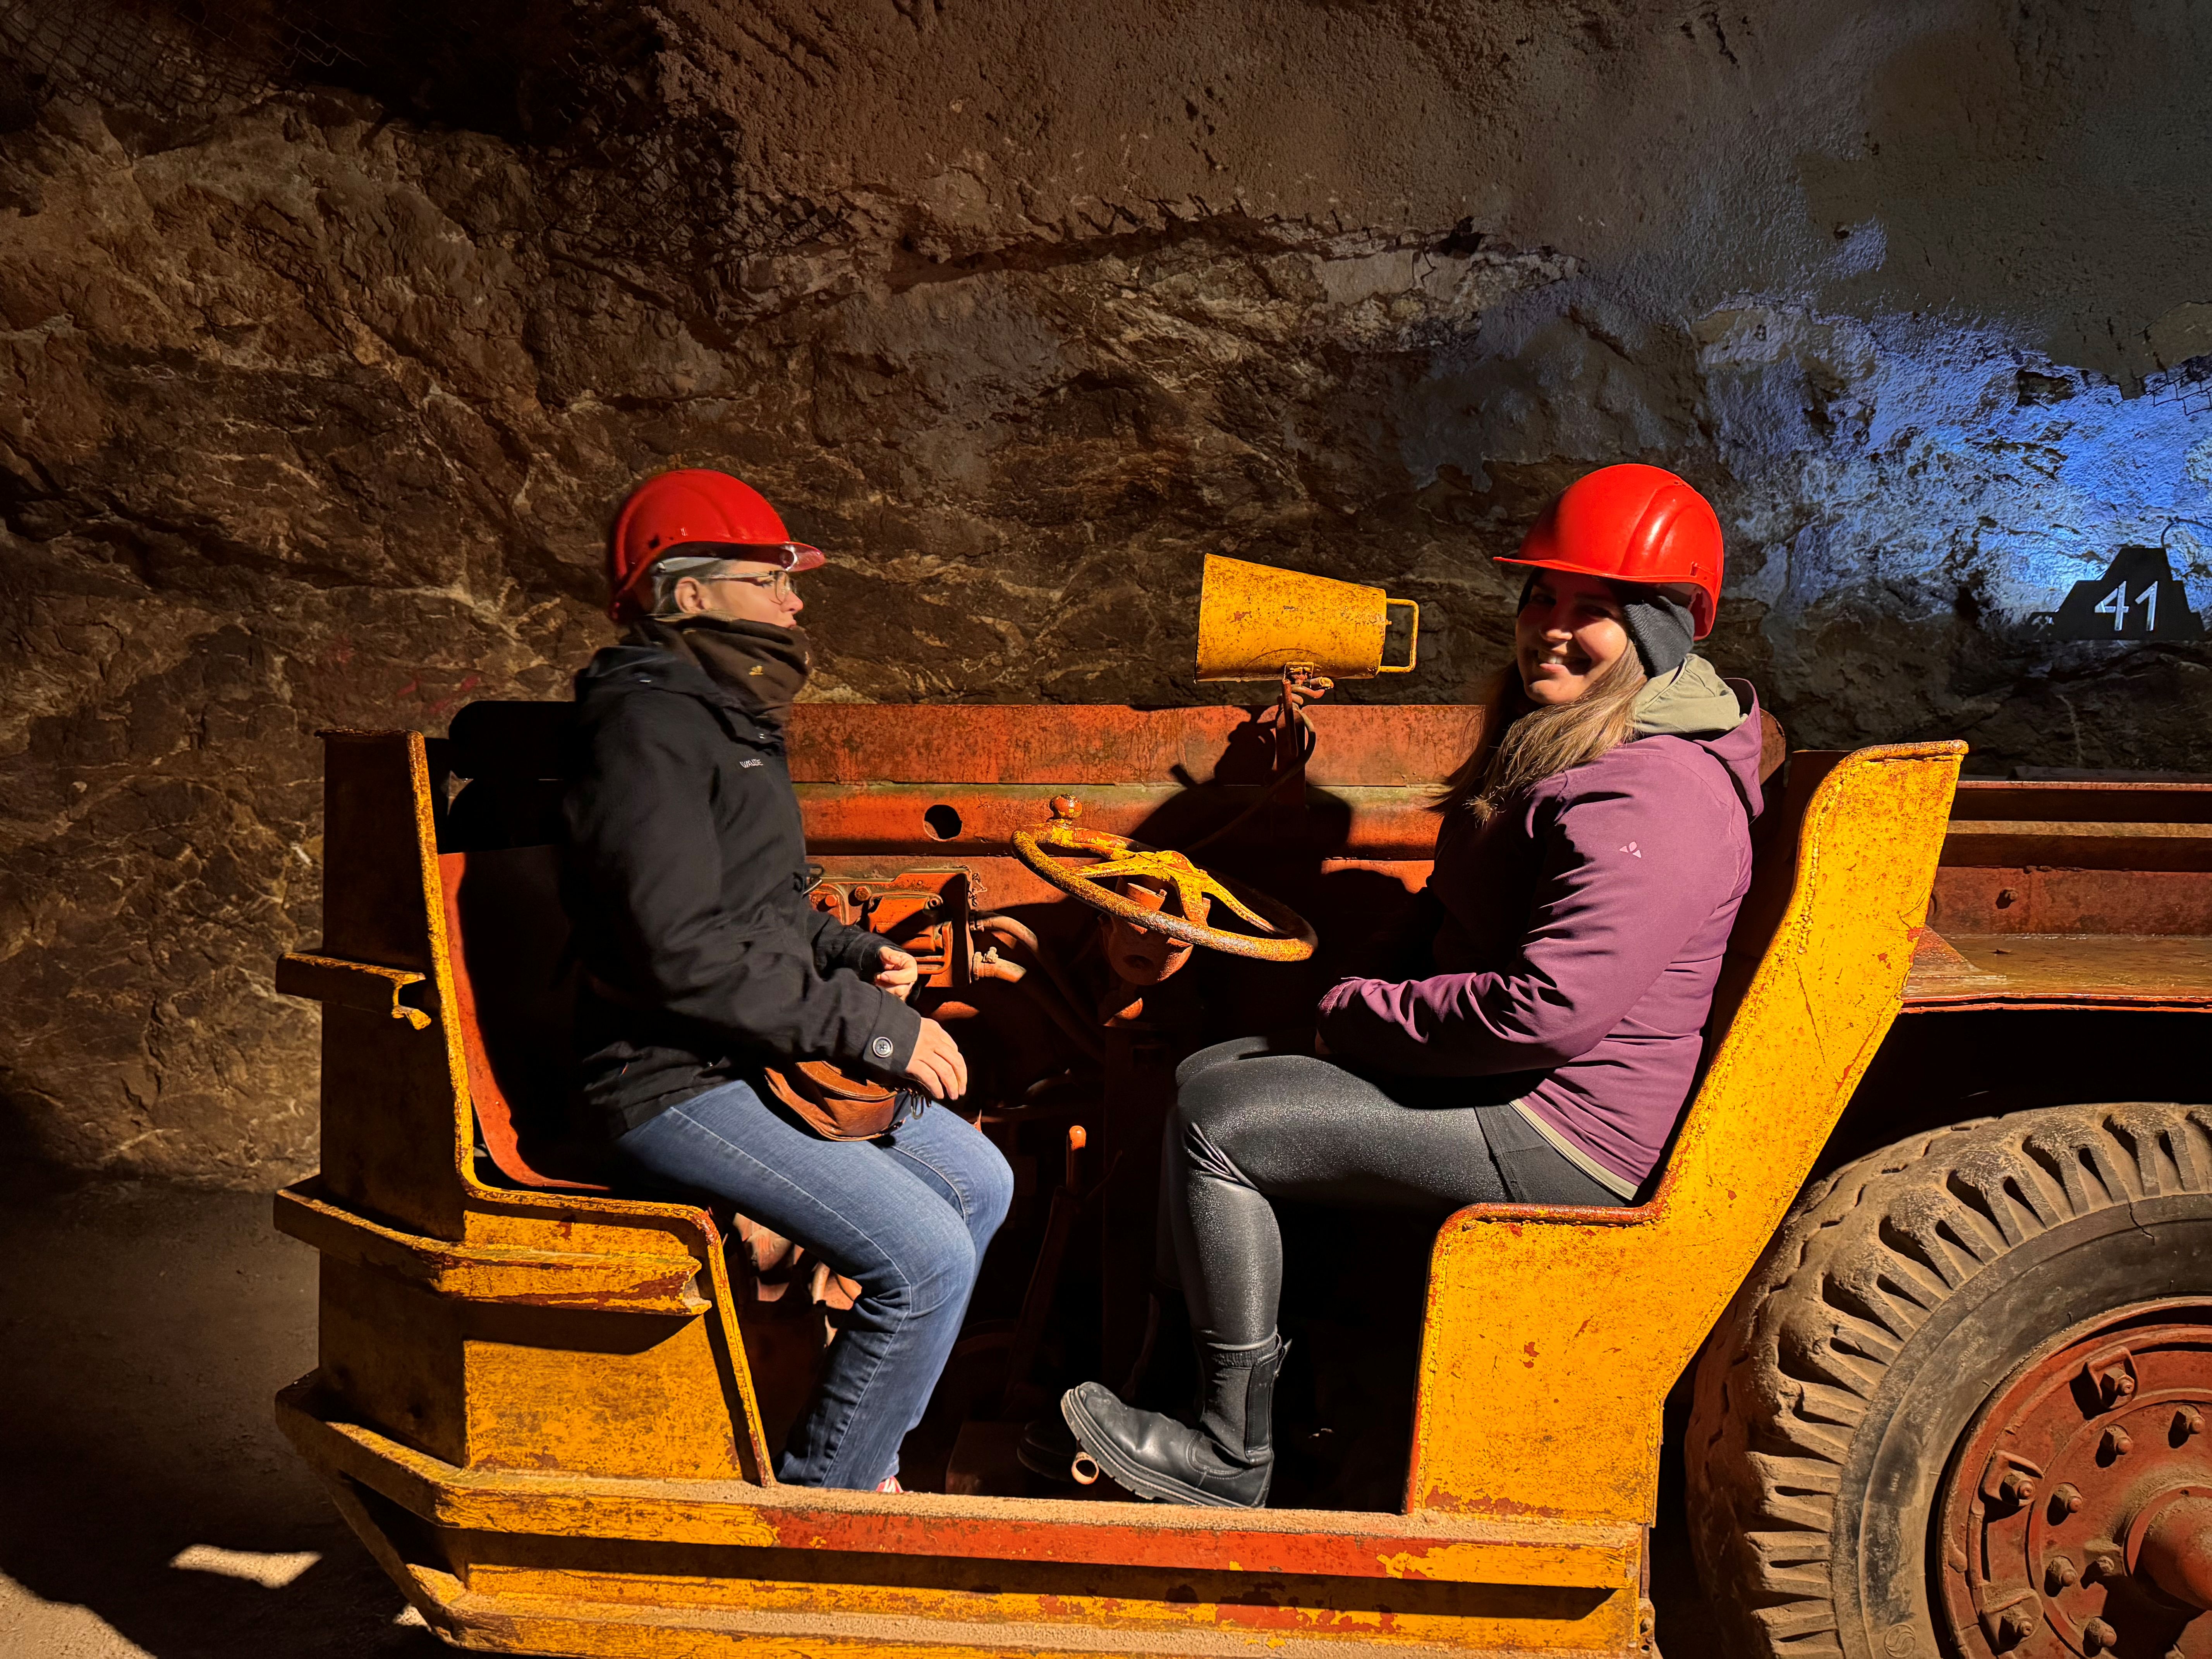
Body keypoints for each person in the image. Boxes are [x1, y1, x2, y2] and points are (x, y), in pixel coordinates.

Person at [1058, 463, 1765, 1508]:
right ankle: (1187, 1394)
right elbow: (1451, 910)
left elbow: (1547, 1010)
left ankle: (1227, 1453)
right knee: (1211, 1072)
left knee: (1223, 1124)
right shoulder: (1572, 744)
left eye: (1593, 610)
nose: (1551, 629)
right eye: (1540, 597)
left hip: (1565, 1125)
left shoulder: (1653, 790)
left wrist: (1354, 1016)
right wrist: (1359, 985)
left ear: (1659, 630)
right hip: (1512, 1084)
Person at [559, 467, 1012, 1493]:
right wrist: (871, 1028)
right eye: (769, 581)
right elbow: (675, 949)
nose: (795, 602)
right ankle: (829, 1504)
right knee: (926, 1260)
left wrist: (848, 952)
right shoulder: (644, 732)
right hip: (663, 1076)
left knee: (982, 1182)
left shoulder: (723, 718)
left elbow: (751, 906)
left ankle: (866, 1450)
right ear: (688, 594)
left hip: (741, 1052)